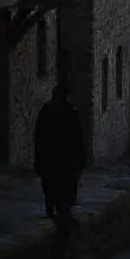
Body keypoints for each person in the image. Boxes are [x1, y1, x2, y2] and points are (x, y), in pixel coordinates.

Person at [33, 82, 86, 220]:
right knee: (63, 195)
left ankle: (56, 219)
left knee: (52, 193)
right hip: (62, 162)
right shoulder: (70, 113)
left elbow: (39, 137)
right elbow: (78, 140)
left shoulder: (46, 111)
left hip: (52, 161)